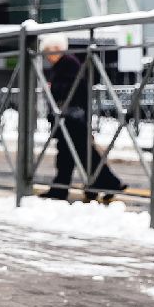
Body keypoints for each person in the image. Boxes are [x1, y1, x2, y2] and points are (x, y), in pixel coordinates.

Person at [41, 34, 125, 202]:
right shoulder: (67, 64)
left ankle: (107, 183)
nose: (47, 57)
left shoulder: (67, 65)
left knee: (78, 154)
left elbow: (70, 90)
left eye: (48, 52)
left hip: (72, 119)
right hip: (72, 118)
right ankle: (93, 186)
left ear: (57, 49)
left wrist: (53, 92)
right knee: (74, 154)